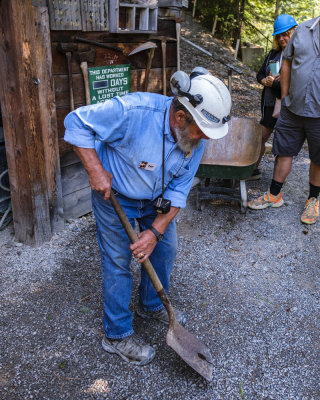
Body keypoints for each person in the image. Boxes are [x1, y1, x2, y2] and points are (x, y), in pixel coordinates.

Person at [64, 67, 232, 365]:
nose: (205, 138)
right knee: (118, 261)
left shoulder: (195, 140)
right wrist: (95, 169)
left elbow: (180, 190)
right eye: (202, 131)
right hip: (115, 195)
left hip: (156, 201)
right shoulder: (133, 111)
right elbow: (76, 122)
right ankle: (116, 334)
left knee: (166, 248)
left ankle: (152, 306)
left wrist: (154, 233)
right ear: (181, 117)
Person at [248, 16, 320, 225]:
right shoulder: (304, 29)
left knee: (317, 158)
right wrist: (286, 96)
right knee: (283, 151)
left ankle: (313, 199)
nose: (281, 37)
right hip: (292, 109)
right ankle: (274, 194)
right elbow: (286, 62)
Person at [249, 14, 297, 180]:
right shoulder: (273, 54)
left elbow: (295, 83)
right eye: (279, 35)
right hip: (270, 104)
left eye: (285, 34)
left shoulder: (299, 55)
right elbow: (260, 74)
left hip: (288, 106)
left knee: (282, 144)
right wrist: (265, 80)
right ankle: (252, 171)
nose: (282, 38)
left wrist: (274, 84)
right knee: (261, 137)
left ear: (293, 33)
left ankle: (276, 183)